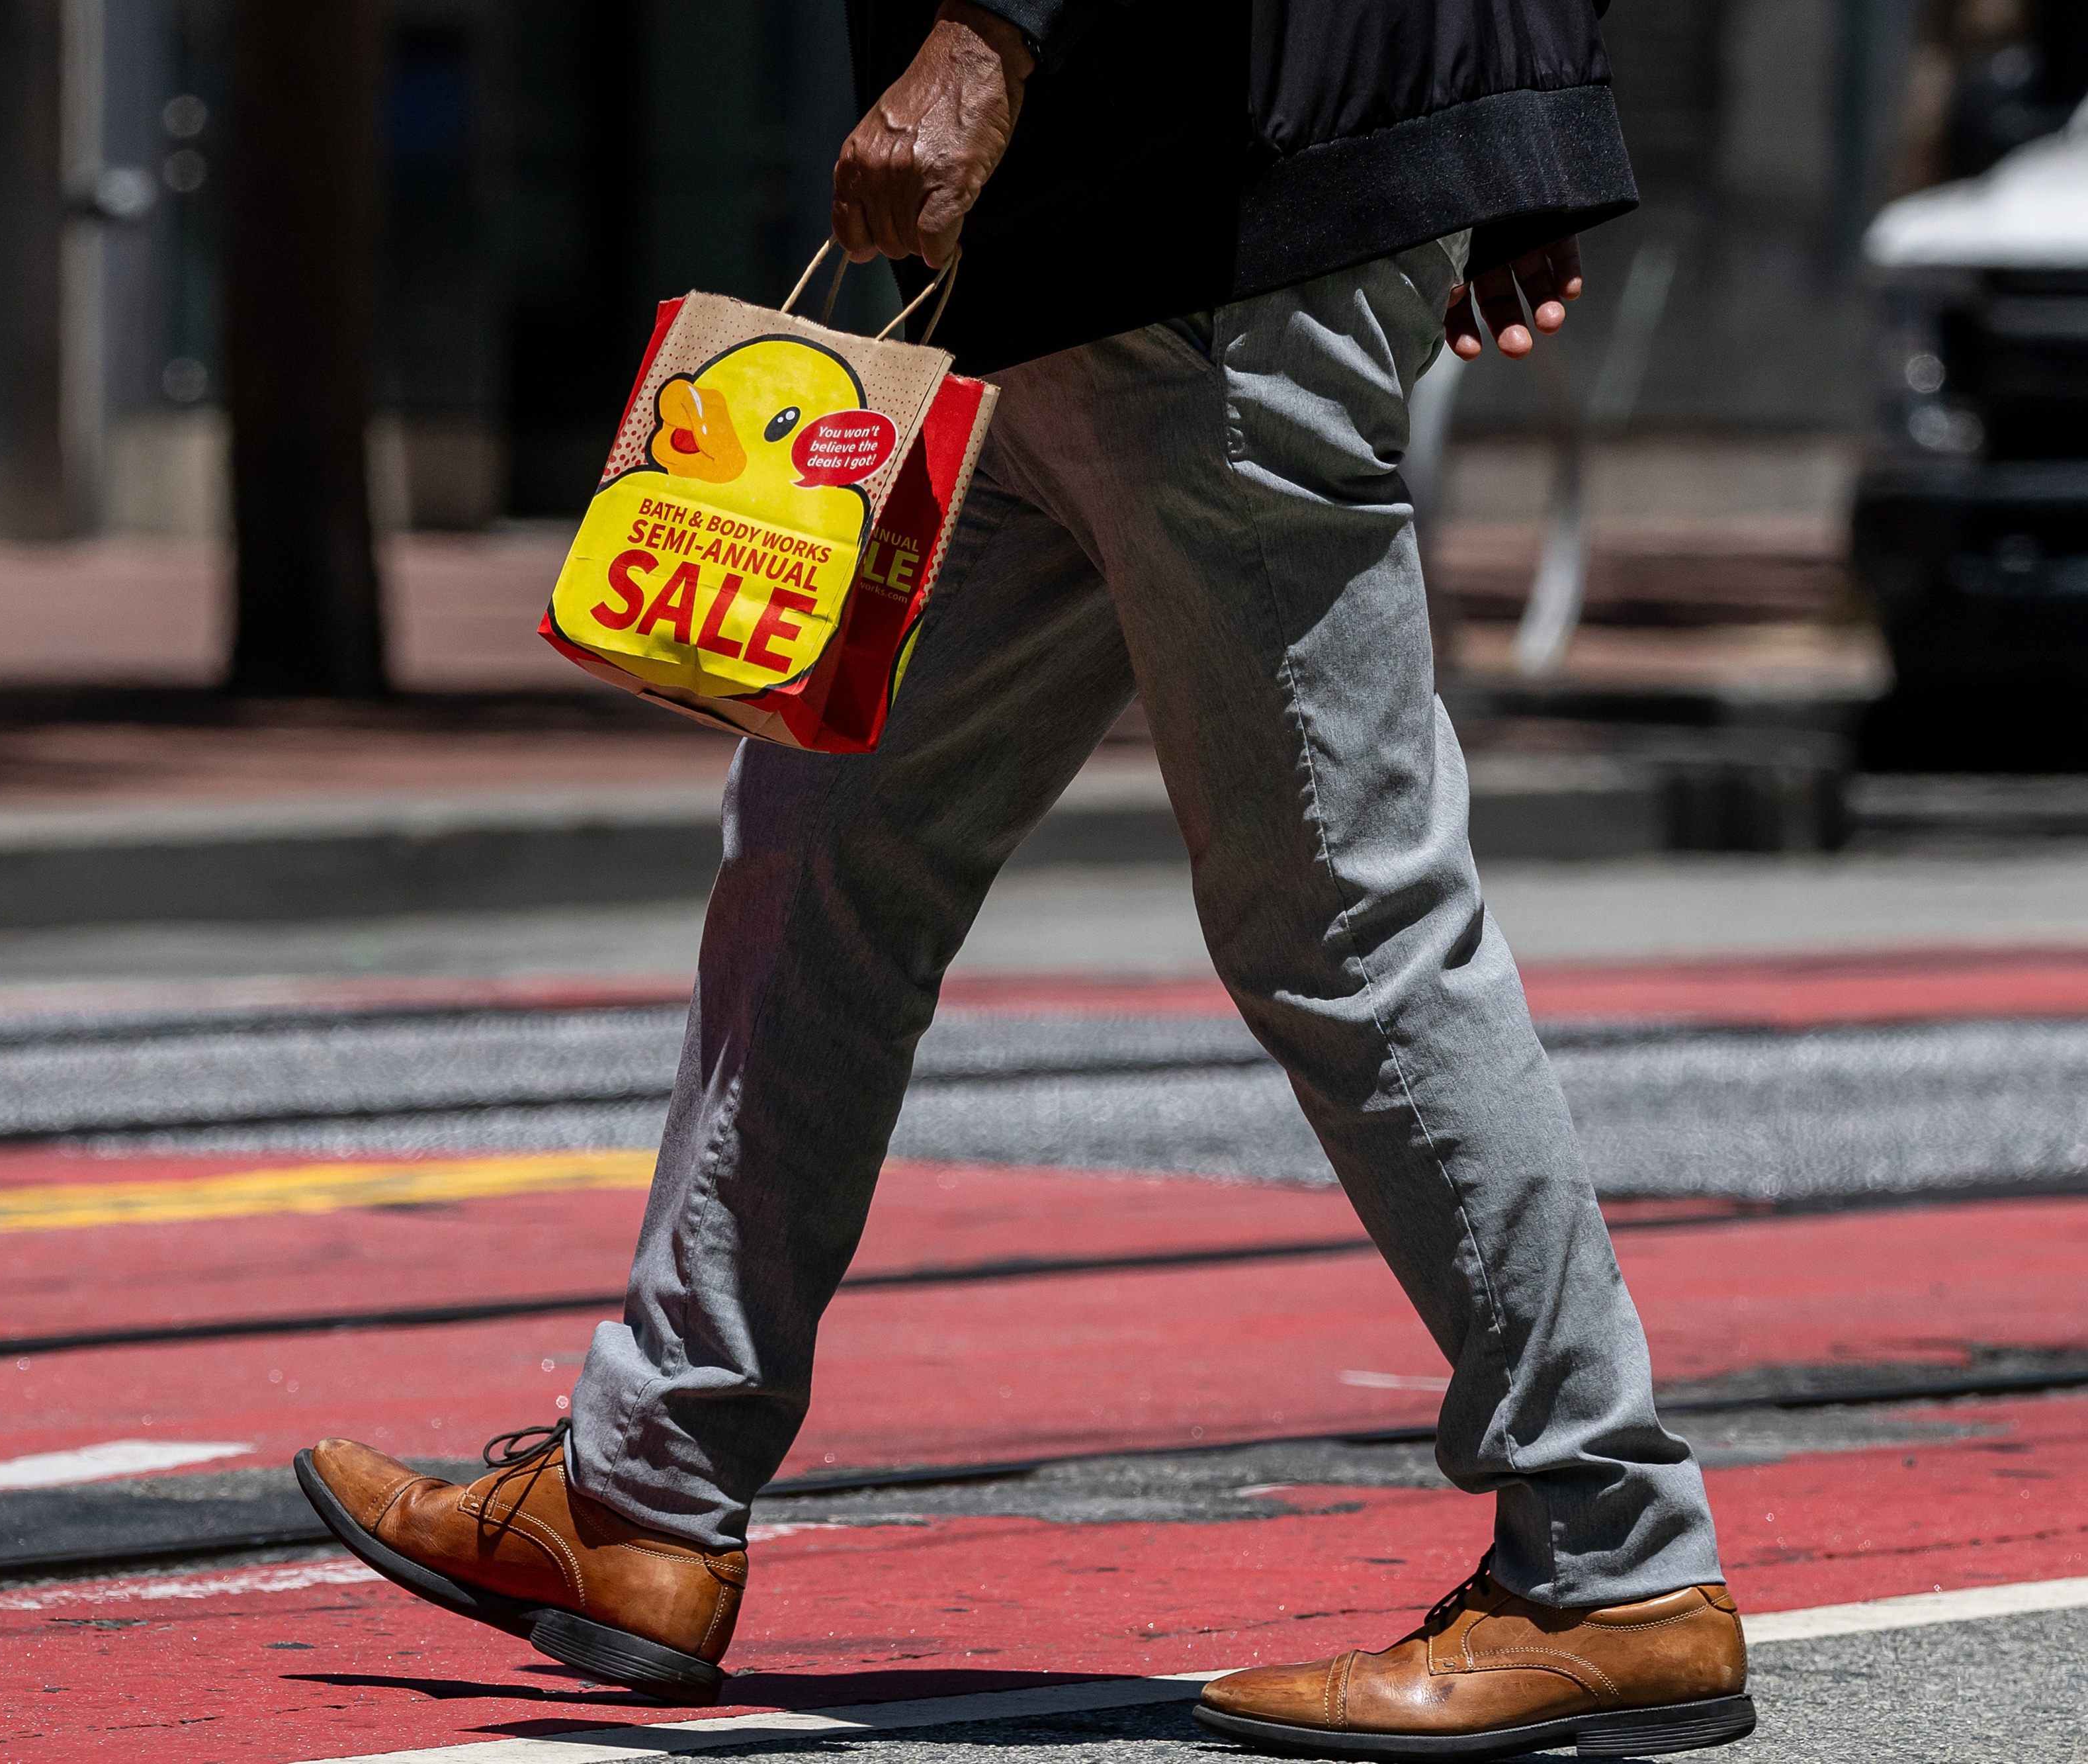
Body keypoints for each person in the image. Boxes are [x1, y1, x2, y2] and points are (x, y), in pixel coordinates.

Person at [298, 2, 1757, 1756]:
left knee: (1345, 910)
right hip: (1087, 247)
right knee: (827, 840)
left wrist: (986, 35)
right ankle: (642, 1491)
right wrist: (1502, 134)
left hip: (1198, 231)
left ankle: (1612, 1557)